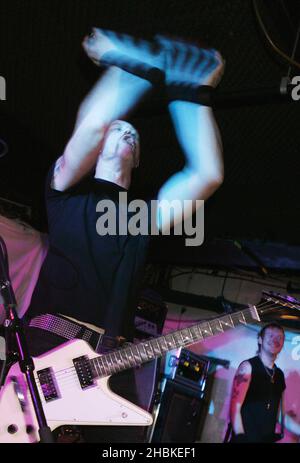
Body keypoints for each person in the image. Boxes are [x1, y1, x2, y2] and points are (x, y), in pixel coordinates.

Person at [23, 29, 225, 442]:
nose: (126, 132)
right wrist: (132, 73)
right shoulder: (66, 195)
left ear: (139, 158)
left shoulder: (139, 218)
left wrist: (193, 96)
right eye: (120, 130)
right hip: (47, 354)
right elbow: (93, 126)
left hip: (109, 367)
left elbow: (206, 175)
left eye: (133, 134)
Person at [229, 322, 300, 443]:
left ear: (283, 344)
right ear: (260, 340)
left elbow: (280, 415)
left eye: (279, 337)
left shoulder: (279, 375)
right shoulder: (247, 367)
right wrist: (241, 438)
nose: (275, 340)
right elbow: (235, 408)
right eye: (270, 336)